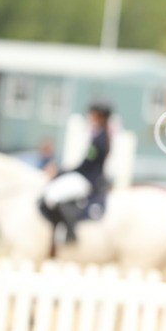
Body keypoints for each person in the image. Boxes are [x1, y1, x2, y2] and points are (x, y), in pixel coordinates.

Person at [41, 102, 112, 244]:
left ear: (99, 116)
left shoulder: (99, 138)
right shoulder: (100, 135)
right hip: (88, 175)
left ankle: (71, 232)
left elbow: (87, 164)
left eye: (92, 113)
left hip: (89, 178)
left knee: (55, 195)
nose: (89, 117)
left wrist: (61, 172)